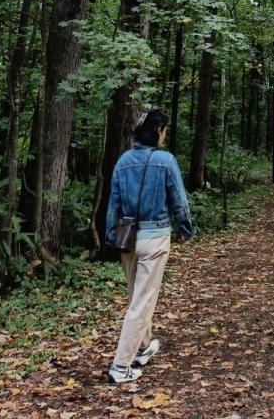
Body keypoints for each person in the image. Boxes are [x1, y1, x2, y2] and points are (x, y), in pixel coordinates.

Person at [105, 108, 193, 385]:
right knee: (143, 300)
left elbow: (113, 203)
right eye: (163, 130)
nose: (164, 135)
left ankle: (143, 347)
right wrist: (185, 228)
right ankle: (120, 366)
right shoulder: (165, 161)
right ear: (157, 131)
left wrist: (111, 234)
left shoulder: (123, 161)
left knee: (136, 296)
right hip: (154, 238)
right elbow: (178, 199)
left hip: (128, 238)